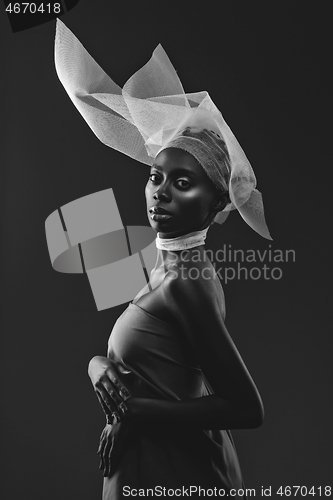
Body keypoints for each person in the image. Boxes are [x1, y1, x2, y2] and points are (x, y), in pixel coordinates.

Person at [54, 19, 273, 498]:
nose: (160, 194)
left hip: (178, 475)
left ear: (215, 205)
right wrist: (97, 366)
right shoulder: (166, 265)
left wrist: (136, 413)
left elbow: (245, 407)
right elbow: (147, 364)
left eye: (182, 184)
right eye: (156, 177)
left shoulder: (186, 282)